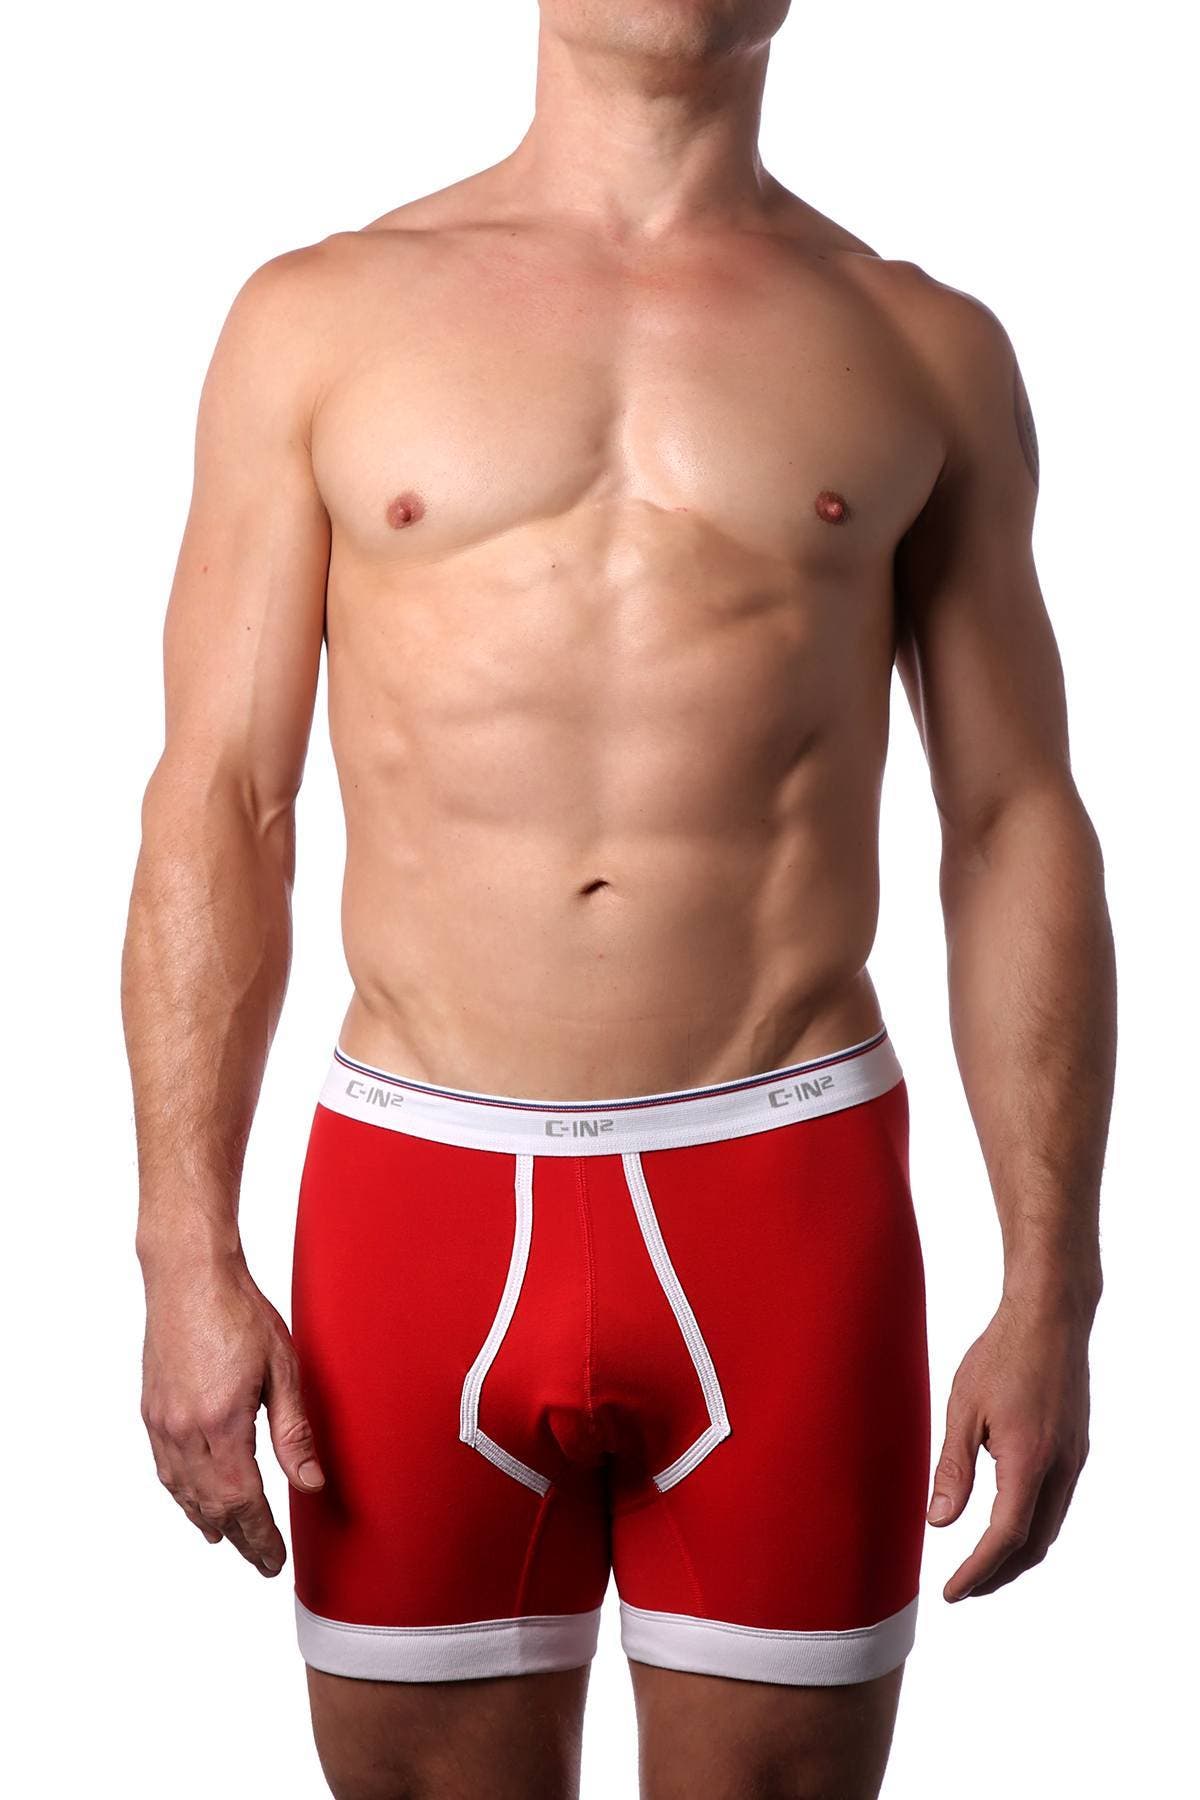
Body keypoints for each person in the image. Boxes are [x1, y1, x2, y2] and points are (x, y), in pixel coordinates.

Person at [121, 3, 1116, 1794]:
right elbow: (223, 802)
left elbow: (1013, 818)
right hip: (418, 1198)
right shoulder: (318, 321)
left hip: (787, 1194)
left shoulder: (922, 348)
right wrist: (181, 1247)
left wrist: (1055, 1283)